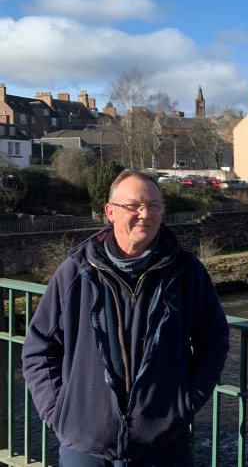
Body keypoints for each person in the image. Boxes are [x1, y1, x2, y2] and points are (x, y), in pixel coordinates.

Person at [22, 170, 230, 467]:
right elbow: (38, 349)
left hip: (164, 447)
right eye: (134, 206)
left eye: (155, 205)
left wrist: (183, 405)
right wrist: (59, 413)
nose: (145, 214)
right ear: (111, 212)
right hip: (86, 449)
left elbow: (214, 341)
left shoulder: (186, 271)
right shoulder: (76, 271)